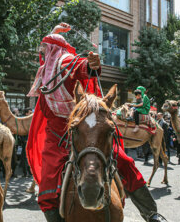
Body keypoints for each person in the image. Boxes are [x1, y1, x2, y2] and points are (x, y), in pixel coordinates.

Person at [26, 23, 167, 222]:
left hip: (83, 127)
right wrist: (55, 32)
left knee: (123, 160)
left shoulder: (64, 62)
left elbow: (80, 67)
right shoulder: (45, 73)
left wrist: (91, 65)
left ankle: (151, 213)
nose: (42, 52)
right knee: (48, 180)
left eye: (45, 49)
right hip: (57, 135)